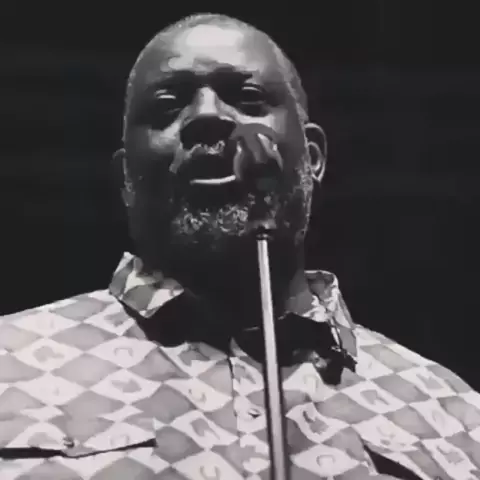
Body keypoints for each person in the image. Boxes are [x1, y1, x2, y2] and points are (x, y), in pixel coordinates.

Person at [1, 13, 479, 480]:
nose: (207, 116)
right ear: (125, 178)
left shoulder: (452, 414)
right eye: (167, 106)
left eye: (248, 99)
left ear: (312, 158)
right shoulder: (11, 363)